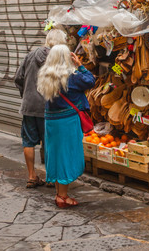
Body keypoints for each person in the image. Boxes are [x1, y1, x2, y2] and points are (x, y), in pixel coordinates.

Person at [36, 44, 96, 208]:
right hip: (67, 121)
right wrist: (80, 65)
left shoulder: (45, 76)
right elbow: (91, 80)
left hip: (51, 121)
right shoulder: (72, 77)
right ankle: (63, 196)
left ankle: (59, 194)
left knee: (55, 156)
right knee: (66, 157)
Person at [15, 28, 68, 189]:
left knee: (29, 141)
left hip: (29, 106)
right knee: (49, 143)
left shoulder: (31, 55)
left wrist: (26, 94)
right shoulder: (59, 58)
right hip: (50, 107)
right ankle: (51, 178)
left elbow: (18, 77)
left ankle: (32, 176)